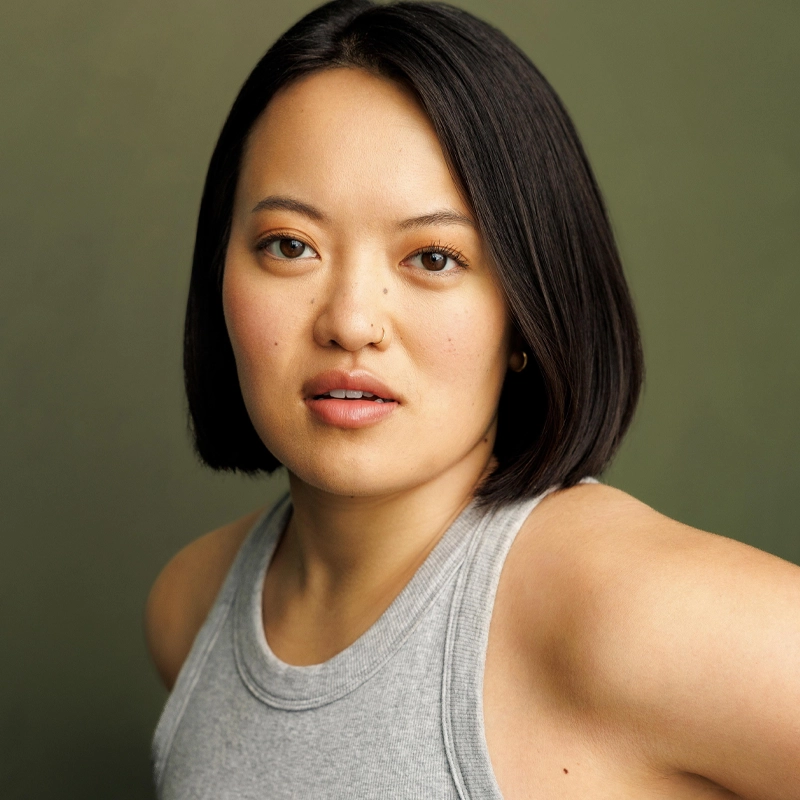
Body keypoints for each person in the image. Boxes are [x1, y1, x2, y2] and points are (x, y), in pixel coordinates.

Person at [144, 1, 800, 797]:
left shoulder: (622, 611)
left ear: (524, 310)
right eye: (291, 246)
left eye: (432, 256)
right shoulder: (190, 609)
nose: (351, 320)